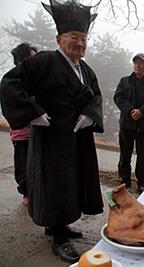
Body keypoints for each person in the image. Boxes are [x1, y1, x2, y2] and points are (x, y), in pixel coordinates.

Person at [0, 0, 104, 263]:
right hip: (51, 137)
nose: (80, 44)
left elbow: (96, 97)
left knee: (72, 183)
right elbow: (10, 83)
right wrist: (33, 113)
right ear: (59, 38)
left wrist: (88, 116)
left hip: (76, 138)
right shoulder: (45, 61)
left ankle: (61, 225)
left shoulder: (85, 70)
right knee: (55, 184)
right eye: (74, 38)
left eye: (84, 38)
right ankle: (58, 236)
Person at [114, 53, 144, 193]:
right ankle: (124, 179)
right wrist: (131, 110)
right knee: (125, 154)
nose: (138, 65)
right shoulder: (124, 81)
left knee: (142, 155)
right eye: (136, 63)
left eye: (141, 63)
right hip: (126, 124)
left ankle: (142, 181)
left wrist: (142, 111)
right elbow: (118, 98)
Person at [8, 42, 38, 206]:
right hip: (22, 133)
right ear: (20, 60)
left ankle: (38, 191)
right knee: (23, 165)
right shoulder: (12, 80)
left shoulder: (38, 79)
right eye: (31, 57)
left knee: (38, 165)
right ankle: (26, 192)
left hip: (40, 132)